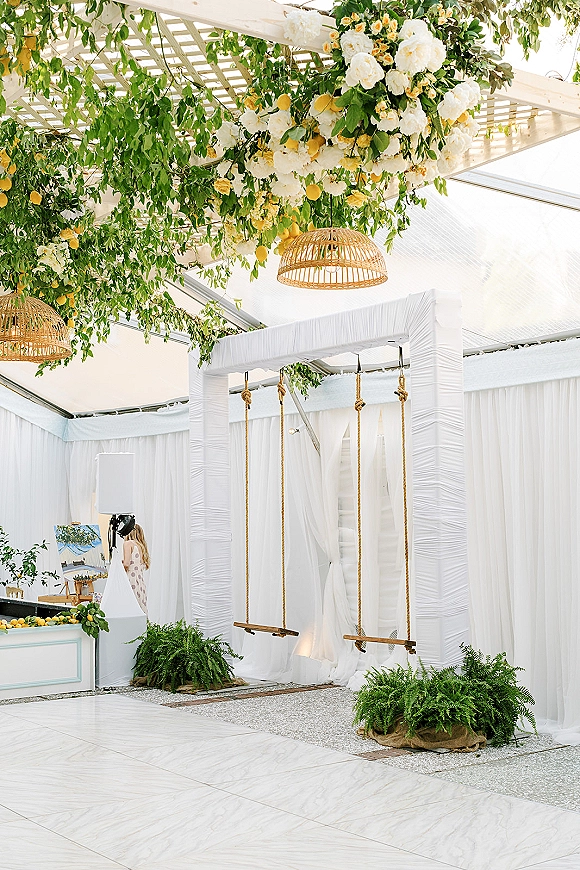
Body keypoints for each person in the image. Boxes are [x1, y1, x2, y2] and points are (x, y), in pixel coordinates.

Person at [122, 524, 150, 615]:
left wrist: (119, 567)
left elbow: (126, 564)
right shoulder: (141, 546)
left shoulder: (128, 543)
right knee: (139, 606)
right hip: (140, 581)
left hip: (131, 579)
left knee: (129, 608)